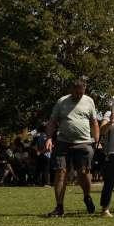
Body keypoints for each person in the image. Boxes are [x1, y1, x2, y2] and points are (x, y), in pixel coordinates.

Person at [44, 78, 100, 217]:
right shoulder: (61, 101)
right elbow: (52, 121)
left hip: (84, 143)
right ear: (71, 90)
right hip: (63, 142)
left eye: (81, 93)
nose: (78, 96)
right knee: (60, 172)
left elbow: (94, 122)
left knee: (83, 173)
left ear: (84, 90)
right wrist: (49, 138)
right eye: (76, 93)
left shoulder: (89, 101)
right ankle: (59, 207)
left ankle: (87, 196)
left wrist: (97, 140)